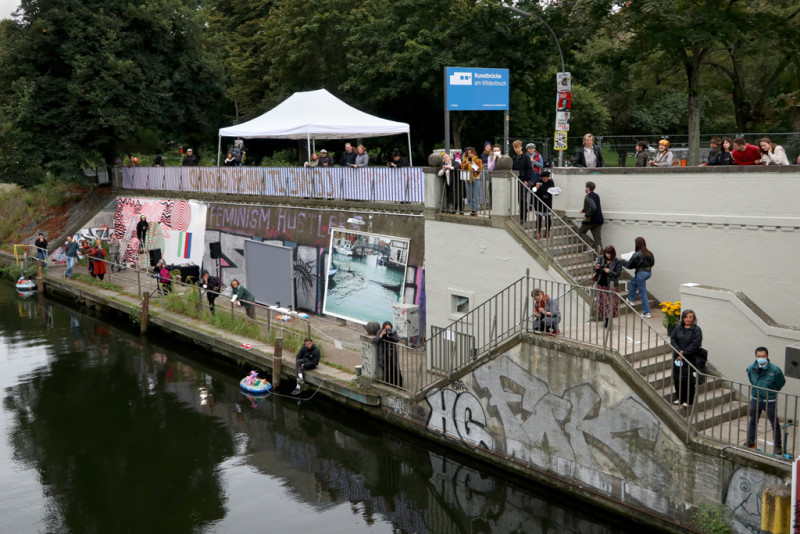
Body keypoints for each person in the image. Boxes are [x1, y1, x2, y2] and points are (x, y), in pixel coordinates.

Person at [745, 347, 786, 454]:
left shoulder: (775, 370)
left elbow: (780, 383)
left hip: (770, 401)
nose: (761, 358)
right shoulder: (751, 368)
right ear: (756, 356)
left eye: (763, 356)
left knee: (774, 423)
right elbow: (751, 379)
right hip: (756, 399)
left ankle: (778, 445)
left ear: (767, 356)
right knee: (753, 420)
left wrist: (771, 392)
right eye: (759, 356)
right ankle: (750, 440)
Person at [670, 309, 702, 408]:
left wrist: (683, 353)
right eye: (686, 317)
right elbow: (673, 339)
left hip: (689, 358)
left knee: (688, 380)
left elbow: (695, 344)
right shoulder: (678, 327)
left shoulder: (696, 330)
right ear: (683, 318)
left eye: (690, 317)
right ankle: (679, 398)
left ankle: (689, 401)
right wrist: (679, 351)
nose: (688, 319)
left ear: (693, 318)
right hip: (678, 357)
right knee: (677, 378)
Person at [621, 236, 655, 318]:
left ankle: (646, 312)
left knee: (642, 293)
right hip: (648, 272)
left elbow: (629, 266)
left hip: (641, 274)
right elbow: (652, 263)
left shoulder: (636, 254)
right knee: (633, 281)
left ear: (637, 244)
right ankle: (631, 300)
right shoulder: (649, 253)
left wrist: (622, 261)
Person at [593, 245, 622, 328]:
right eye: (606, 253)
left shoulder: (617, 261)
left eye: (609, 254)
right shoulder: (601, 258)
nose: (607, 255)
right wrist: (597, 267)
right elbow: (595, 268)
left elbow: (618, 274)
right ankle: (605, 319)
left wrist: (610, 271)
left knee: (610, 304)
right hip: (601, 284)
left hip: (611, 286)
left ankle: (608, 320)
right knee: (601, 303)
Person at [374, 321, 403, 388]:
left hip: (392, 352)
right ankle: (389, 384)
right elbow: (376, 341)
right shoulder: (380, 331)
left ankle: (398, 384)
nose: (388, 330)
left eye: (389, 329)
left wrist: (390, 337)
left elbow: (397, 340)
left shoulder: (393, 332)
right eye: (386, 329)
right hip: (384, 353)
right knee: (387, 369)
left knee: (395, 368)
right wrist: (381, 334)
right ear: (383, 328)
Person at [578, 181, 604, 252]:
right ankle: (599, 257)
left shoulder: (588, 196)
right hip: (599, 220)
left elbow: (593, 207)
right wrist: (583, 210)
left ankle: (589, 245)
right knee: (597, 239)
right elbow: (593, 206)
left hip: (590, 220)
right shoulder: (596, 195)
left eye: (585, 187)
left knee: (581, 232)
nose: (585, 188)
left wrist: (586, 214)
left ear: (588, 188)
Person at [512, 140, 533, 223]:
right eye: (515, 148)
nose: (516, 149)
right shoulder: (514, 158)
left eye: (518, 147)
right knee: (518, 199)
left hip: (523, 180)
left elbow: (529, 169)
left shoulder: (526, 157)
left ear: (521, 147)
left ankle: (523, 217)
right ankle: (520, 216)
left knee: (522, 199)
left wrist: (527, 180)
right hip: (516, 180)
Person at [460, 146, 483, 216]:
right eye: (468, 153)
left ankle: (475, 210)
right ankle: (471, 209)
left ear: (474, 153)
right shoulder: (464, 160)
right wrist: (467, 164)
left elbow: (480, 169)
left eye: (471, 153)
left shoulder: (478, 160)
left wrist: (473, 164)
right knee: (469, 196)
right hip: (468, 179)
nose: (470, 154)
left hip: (475, 178)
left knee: (475, 196)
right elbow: (463, 168)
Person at [533, 169, 555, 239]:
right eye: (545, 178)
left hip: (548, 202)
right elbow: (533, 191)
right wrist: (536, 187)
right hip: (539, 202)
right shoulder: (538, 182)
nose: (546, 179)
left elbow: (552, 190)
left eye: (547, 178)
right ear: (542, 178)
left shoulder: (551, 182)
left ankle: (547, 231)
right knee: (539, 218)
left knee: (548, 218)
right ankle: (538, 232)